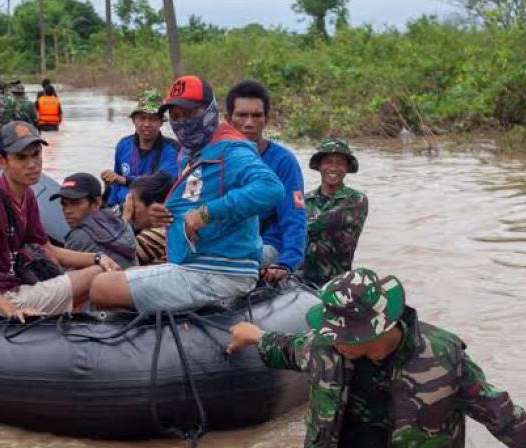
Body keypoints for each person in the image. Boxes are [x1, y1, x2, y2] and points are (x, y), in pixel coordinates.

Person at [226, 267, 526, 448]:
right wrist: (253, 335)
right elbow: (290, 347)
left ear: (381, 327)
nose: (336, 340)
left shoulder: (443, 355)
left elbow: (500, 413)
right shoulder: (327, 347)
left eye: (347, 334)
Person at [88, 75, 284, 312]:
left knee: (101, 286)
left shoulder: (231, 151)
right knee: (121, 273)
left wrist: (207, 213)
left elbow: (270, 188)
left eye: (190, 114)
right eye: (176, 116)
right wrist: (169, 215)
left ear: (210, 111)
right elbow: (196, 198)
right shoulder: (190, 153)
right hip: (192, 263)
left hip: (219, 272)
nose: (183, 123)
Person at [0, 121, 121, 320]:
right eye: (21, 157)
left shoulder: (27, 196)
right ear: (1, 162)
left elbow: (49, 250)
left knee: (103, 267)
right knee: (98, 276)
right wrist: (9, 310)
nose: (32, 164)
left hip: (15, 287)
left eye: (36, 154)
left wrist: (97, 257)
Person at [225, 80, 306, 283]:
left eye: (257, 115)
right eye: (242, 115)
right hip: (225, 241)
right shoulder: (216, 157)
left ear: (267, 119)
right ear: (228, 119)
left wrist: (287, 264)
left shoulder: (283, 161)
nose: (249, 123)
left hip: (265, 244)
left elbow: (294, 218)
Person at [299, 138, 368, 287]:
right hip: (301, 279)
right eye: (328, 162)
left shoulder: (356, 199)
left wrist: (293, 227)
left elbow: (321, 223)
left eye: (340, 163)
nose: (334, 168)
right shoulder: (306, 199)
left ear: (347, 168)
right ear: (319, 166)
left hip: (337, 283)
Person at [101, 89, 179, 208]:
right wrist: (108, 190)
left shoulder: (173, 149)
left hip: (150, 212)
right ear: (134, 120)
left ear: (161, 122)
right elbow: (115, 185)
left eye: (152, 119)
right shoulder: (123, 145)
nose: (146, 124)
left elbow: (161, 183)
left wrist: (124, 180)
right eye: (142, 118)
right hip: (120, 209)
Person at [52, 173, 138, 269]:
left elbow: (66, 280)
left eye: (75, 203)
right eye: (64, 204)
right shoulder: (122, 224)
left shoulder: (79, 237)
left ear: (97, 202)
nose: (67, 211)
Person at [122, 172, 174, 266]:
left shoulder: (158, 234)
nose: (129, 208)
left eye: (133, 204)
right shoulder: (168, 228)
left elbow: (115, 258)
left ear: (154, 207)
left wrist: (125, 219)